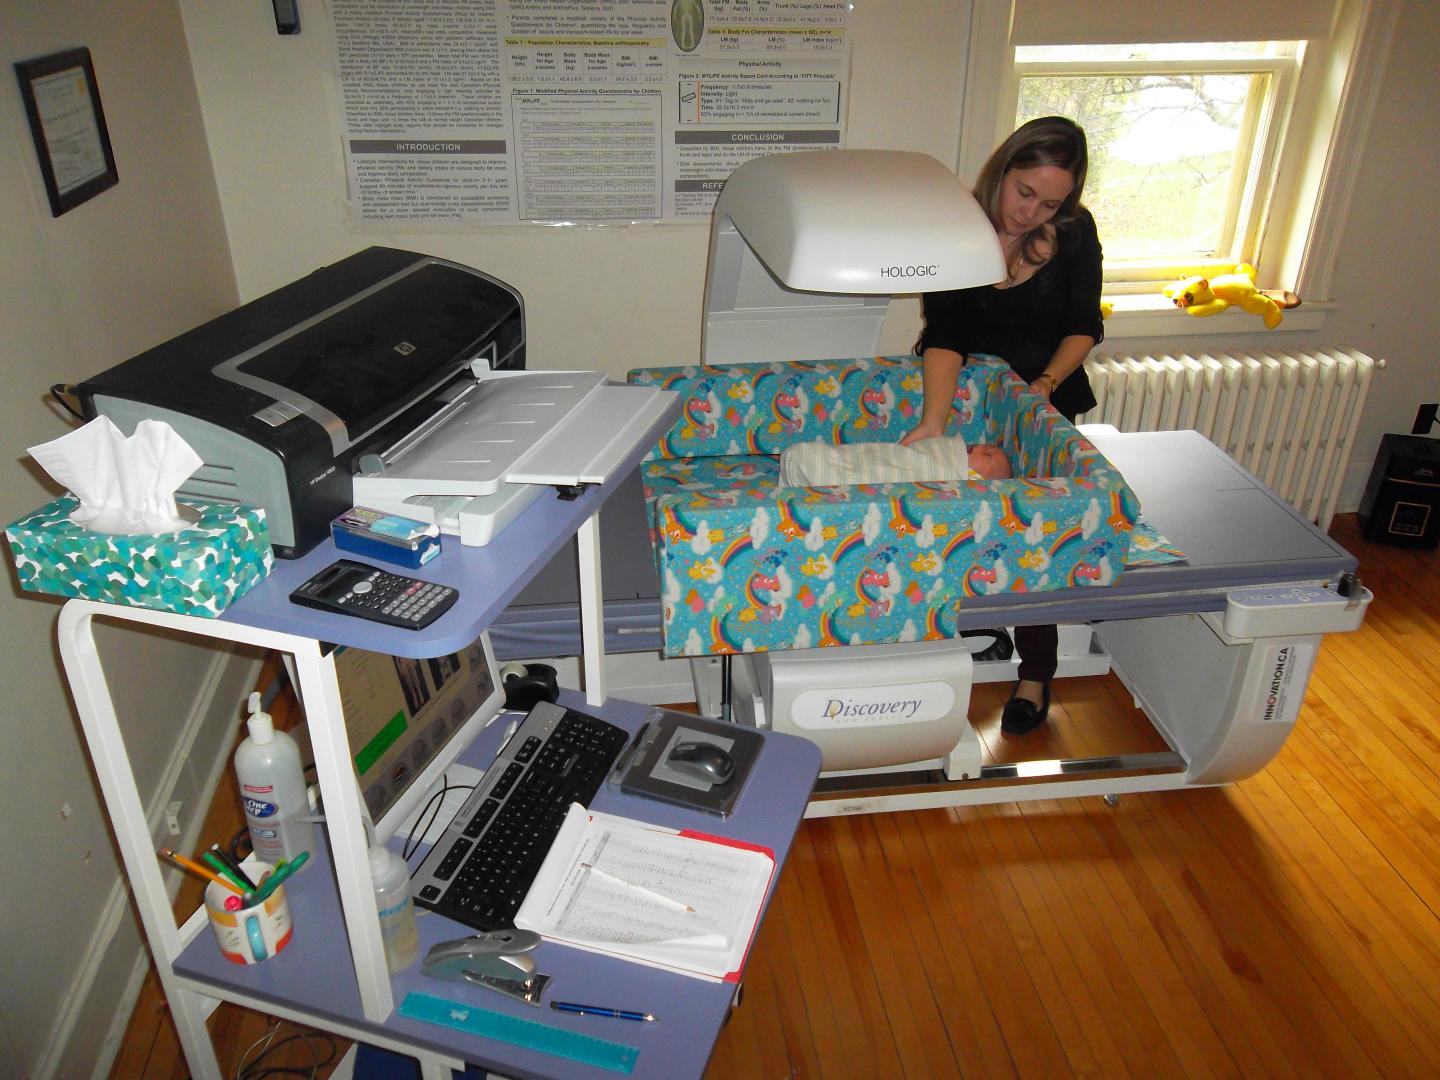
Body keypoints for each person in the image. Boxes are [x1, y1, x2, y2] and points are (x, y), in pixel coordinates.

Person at [901, 115, 1104, 737]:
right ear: (1002, 171)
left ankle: (1036, 673)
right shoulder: (955, 228)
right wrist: (934, 422)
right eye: (1024, 193)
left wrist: (1042, 386)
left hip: (1043, 398)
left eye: (1050, 204)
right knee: (957, 523)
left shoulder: (1074, 233)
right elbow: (946, 335)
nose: (1030, 213)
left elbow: (1085, 324)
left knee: (1037, 533)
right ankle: (968, 628)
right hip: (965, 397)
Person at [778, 437, 1012, 488]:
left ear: (979, 479)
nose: (980, 447)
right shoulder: (947, 451)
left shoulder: (963, 480)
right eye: (984, 445)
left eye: (988, 455)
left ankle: (816, 471)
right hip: (871, 462)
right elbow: (899, 457)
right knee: (865, 459)